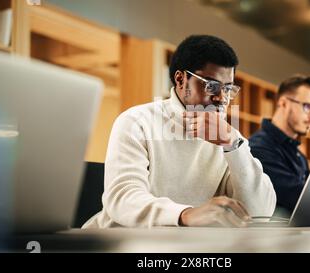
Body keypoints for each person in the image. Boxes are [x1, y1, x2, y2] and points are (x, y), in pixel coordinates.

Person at [83, 35, 276, 228]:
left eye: (227, 89)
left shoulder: (229, 139)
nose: (221, 98)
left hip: (188, 247)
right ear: (181, 79)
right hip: (118, 243)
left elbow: (260, 213)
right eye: (211, 86)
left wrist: (234, 146)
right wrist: (185, 215)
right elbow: (123, 199)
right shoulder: (136, 121)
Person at [249, 75, 310, 216]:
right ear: (283, 103)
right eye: (307, 107)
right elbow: (298, 198)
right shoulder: (258, 147)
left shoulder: (299, 156)